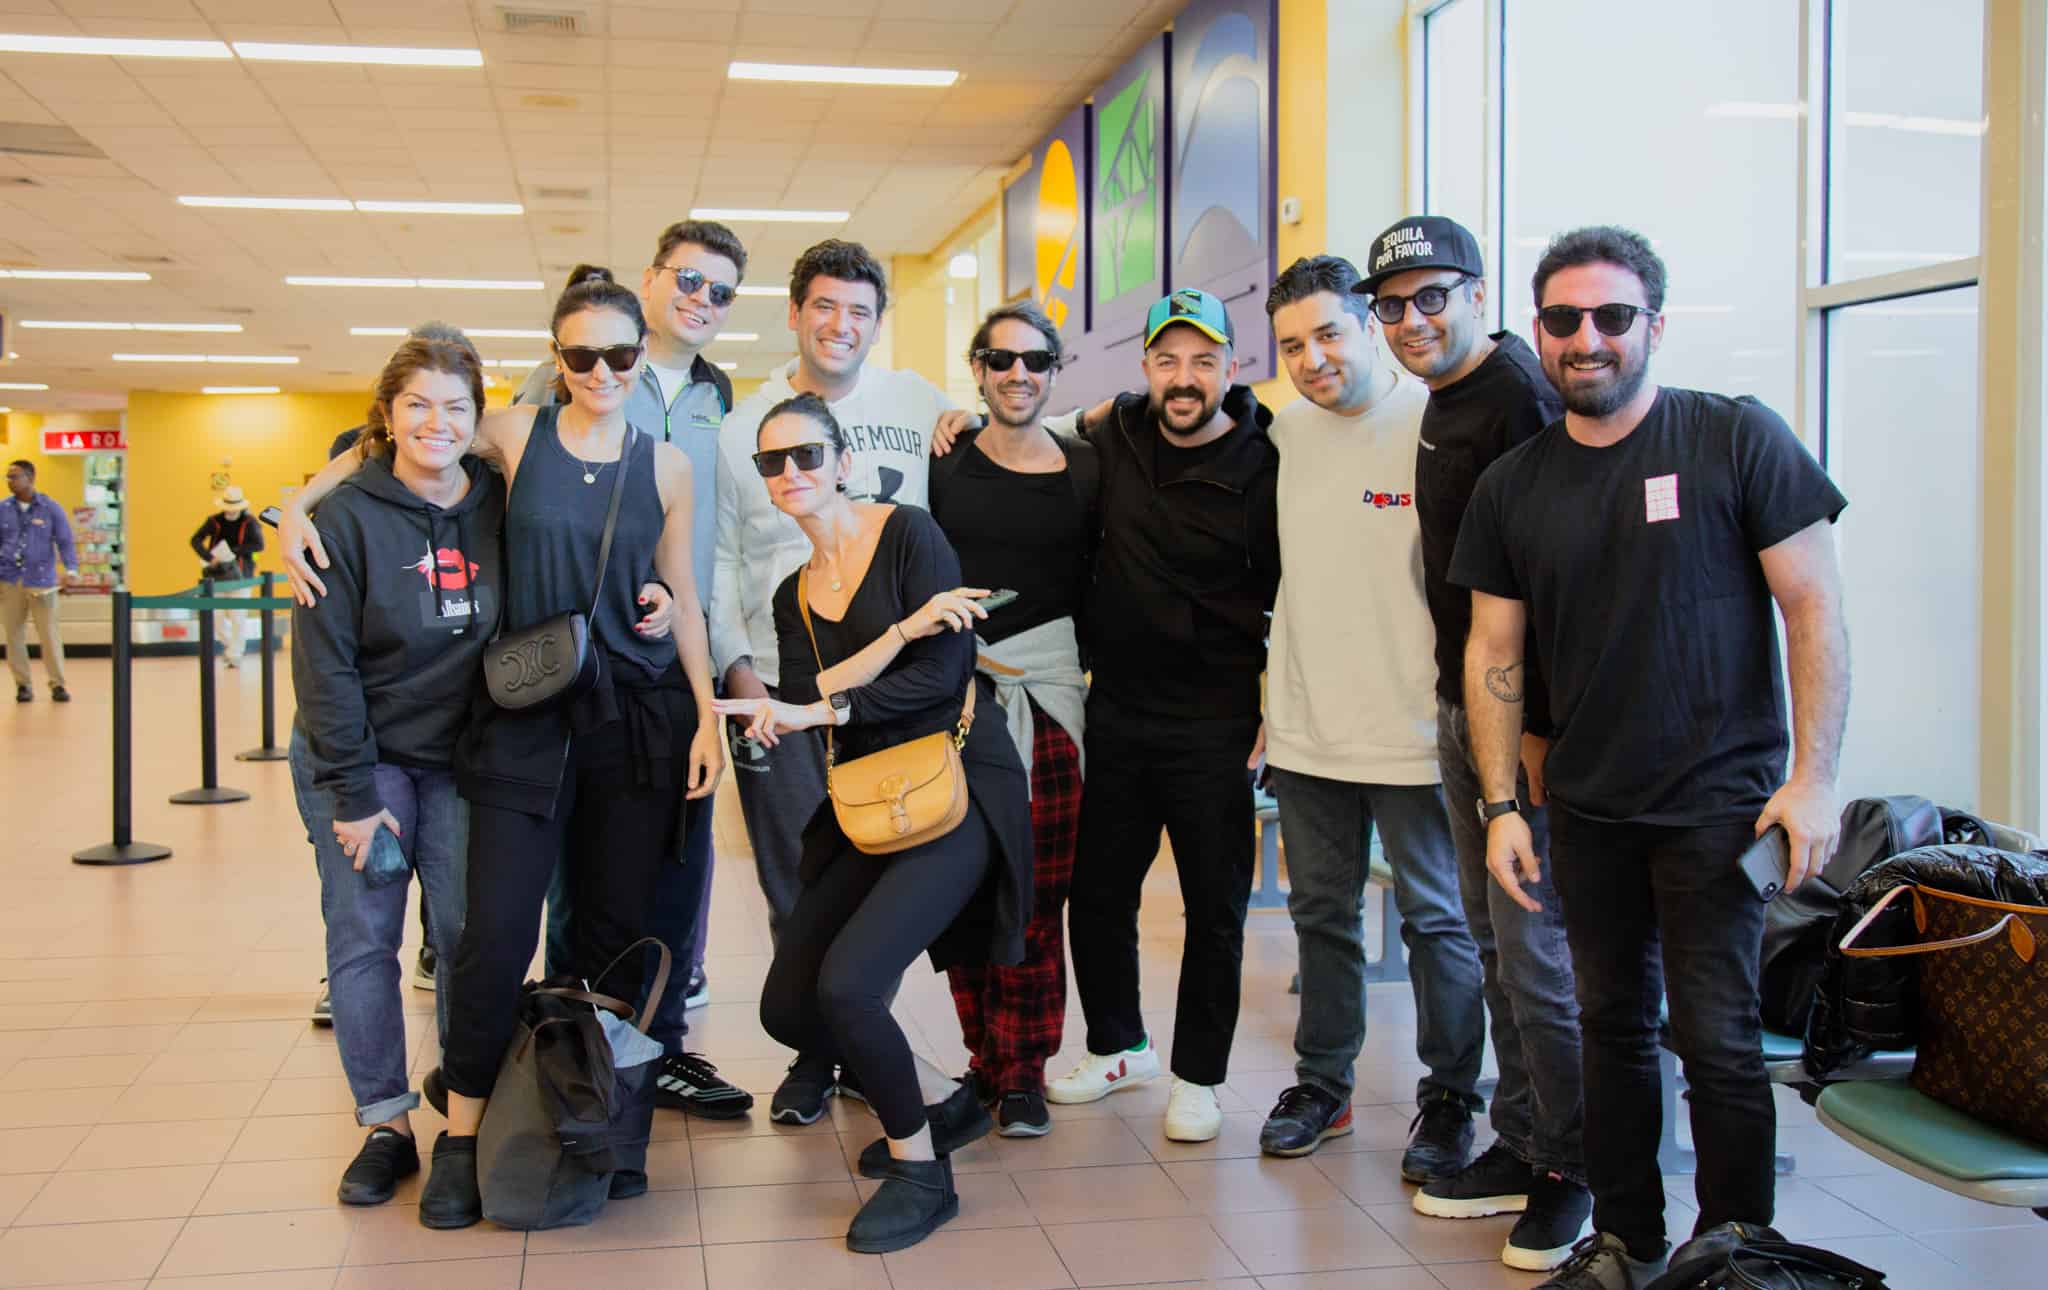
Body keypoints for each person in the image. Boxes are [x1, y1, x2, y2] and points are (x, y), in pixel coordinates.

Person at [279, 277, 724, 1229]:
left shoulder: (669, 467)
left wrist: (707, 715)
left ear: (642, 358)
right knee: (492, 939)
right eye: (580, 355)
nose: (601, 371)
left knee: (612, 929)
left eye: (619, 354)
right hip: (520, 724)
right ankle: (462, 1132)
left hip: (625, 723)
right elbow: (386, 439)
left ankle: (602, 1115)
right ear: (555, 360)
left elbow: (683, 592)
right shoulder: (515, 434)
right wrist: (293, 507)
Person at [1451, 226, 1849, 1290]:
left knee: (1716, 1040)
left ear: (1653, 327)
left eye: (1611, 317)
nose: (1586, 339)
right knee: (1609, 1029)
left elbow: (1810, 606)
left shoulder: (1733, 440)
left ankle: (1735, 1254)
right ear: (1534, 331)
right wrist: (1499, 805)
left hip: (1721, 807)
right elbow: (1491, 649)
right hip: (1584, 807)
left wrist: (1811, 781)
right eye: (1562, 319)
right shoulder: (1512, 486)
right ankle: (1626, 1240)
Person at [713, 392, 1031, 1254]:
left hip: (954, 782)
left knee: (849, 986)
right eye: (772, 463)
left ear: (843, 460)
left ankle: (923, 1169)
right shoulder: (793, 593)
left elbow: (942, 675)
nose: (791, 474)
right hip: (870, 795)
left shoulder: (909, 535)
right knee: (789, 1006)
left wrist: (830, 707)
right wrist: (895, 635)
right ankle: (906, 1099)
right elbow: (806, 694)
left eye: (807, 455)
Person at [1361, 216, 1590, 1271]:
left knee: (1539, 957)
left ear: (1477, 290)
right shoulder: (1444, 401)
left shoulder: (1523, 401)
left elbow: (1561, 581)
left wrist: (1535, 727)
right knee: (1494, 944)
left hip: (1525, 728)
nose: (1411, 320)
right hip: (1468, 713)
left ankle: (1572, 1173)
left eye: (1431, 296)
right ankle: (1522, 1139)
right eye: (1392, 304)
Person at [1252, 255, 1491, 1184]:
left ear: (1368, 325)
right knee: (1321, 915)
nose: (1312, 358)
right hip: (1309, 726)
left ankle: (1450, 1098)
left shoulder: (1432, 420)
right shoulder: (1286, 435)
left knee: (1438, 922)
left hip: (1416, 731)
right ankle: (1324, 1082)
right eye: (1291, 345)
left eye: (1328, 333)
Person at [710, 238, 960, 1124]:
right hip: (782, 687)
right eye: (824, 306)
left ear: (877, 322)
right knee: (801, 879)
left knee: (880, 868)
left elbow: (999, 428)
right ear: (794, 313)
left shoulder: (919, 400)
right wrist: (742, 671)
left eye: (859, 310)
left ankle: (859, 1036)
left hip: (889, 696)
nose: (840, 325)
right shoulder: (742, 428)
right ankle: (817, 1053)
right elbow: (722, 558)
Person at [513, 227, 751, 1121]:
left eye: (722, 291)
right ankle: (570, 1045)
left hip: (665, 664)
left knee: (668, 873)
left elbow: (690, 544)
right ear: (650, 280)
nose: (703, 298)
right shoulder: (569, 374)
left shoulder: (716, 396)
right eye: (688, 279)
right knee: (580, 882)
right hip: (566, 677)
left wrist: (705, 678)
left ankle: (657, 1044)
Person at [1045, 288, 1279, 1145]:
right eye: (1169, 360)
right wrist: (952, 424)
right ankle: (1118, 1047)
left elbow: (1295, 595)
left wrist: (1275, 708)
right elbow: (1034, 421)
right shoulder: (1114, 434)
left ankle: (1200, 1077)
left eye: (1204, 361)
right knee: (1096, 893)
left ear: (1230, 367)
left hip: (1218, 721)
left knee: (1211, 907)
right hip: (1119, 709)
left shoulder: (1268, 462)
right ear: (1145, 367)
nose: (1186, 379)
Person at [288, 333, 498, 1207]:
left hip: (459, 762)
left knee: (462, 937)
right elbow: (324, 665)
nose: (435, 423)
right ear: (386, 416)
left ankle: (461, 1118)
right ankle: (385, 1124)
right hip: (360, 761)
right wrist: (353, 792)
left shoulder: (497, 499)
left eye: (455, 406)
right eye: (416, 404)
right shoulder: (343, 519)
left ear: (479, 420)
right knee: (365, 939)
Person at [927, 301, 1096, 1137]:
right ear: (979, 370)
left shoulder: (1086, 468)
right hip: (960, 701)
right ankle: (981, 1061)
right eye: (999, 361)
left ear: (1055, 370)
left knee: (1038, 893)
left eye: (1033, 361)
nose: (1017, 374)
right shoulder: (946, 463)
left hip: (1051, 700)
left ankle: (1024, 1066)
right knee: (964, 885)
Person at [1, 459, 75, 702]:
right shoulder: (3, 509)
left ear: (30, 478)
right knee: (13, 636)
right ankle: (23, 685)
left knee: (49, 635)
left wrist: (71, 571)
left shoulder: (50, 508)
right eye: (8, 477)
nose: (10, 481)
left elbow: (65, 541)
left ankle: (58, 684)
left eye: (15, 476)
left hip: (42, 582)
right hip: (10, 579)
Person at [190, 485, 265, 667]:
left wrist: (235, 551)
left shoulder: (250, 522)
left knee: (238, 616)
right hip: (217, 577)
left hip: (241, 576)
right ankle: (230, 647)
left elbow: (258, 545)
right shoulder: (214, 521)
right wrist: (209, 557)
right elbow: (195, 540)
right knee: (216, 617)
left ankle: (235, 653)